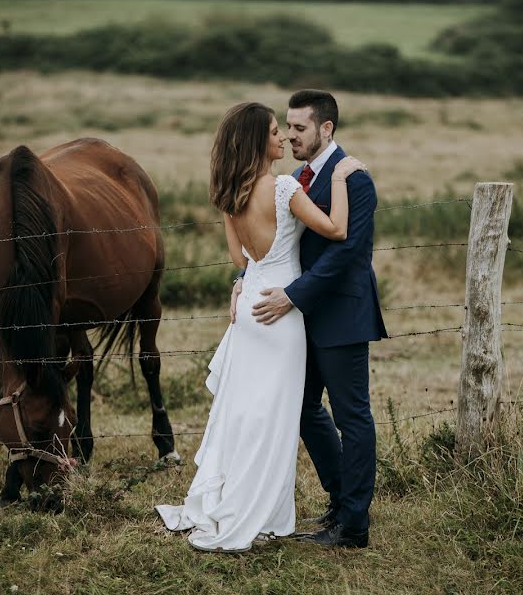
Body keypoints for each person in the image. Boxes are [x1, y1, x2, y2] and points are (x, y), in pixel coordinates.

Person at [155, 101, 366, 552]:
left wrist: (243, 283)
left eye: (286, 129)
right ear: (258, 142)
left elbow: (241, 260)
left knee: (246, 412)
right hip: (281, 313)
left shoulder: (230, 196)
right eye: (275, 131)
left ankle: (235, 499)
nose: (283, 138)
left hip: (252, 306)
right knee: (274, 417)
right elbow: (337, 229)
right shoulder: (284, 187)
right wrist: (344, 178)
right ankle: (261, 507)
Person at [247, 90, 388, 548]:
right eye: (287, 127)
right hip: (303, 319)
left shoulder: (356, 180)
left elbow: (347, 253)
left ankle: (354, 526)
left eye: (299, 128)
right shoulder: (297, 178)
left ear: (326, 128)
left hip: (341, 315)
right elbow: (280, 240)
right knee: (303, 407)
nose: (289, 136)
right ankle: (341, 498)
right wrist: (243, 278)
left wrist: (292, 295)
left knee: (353, 416)